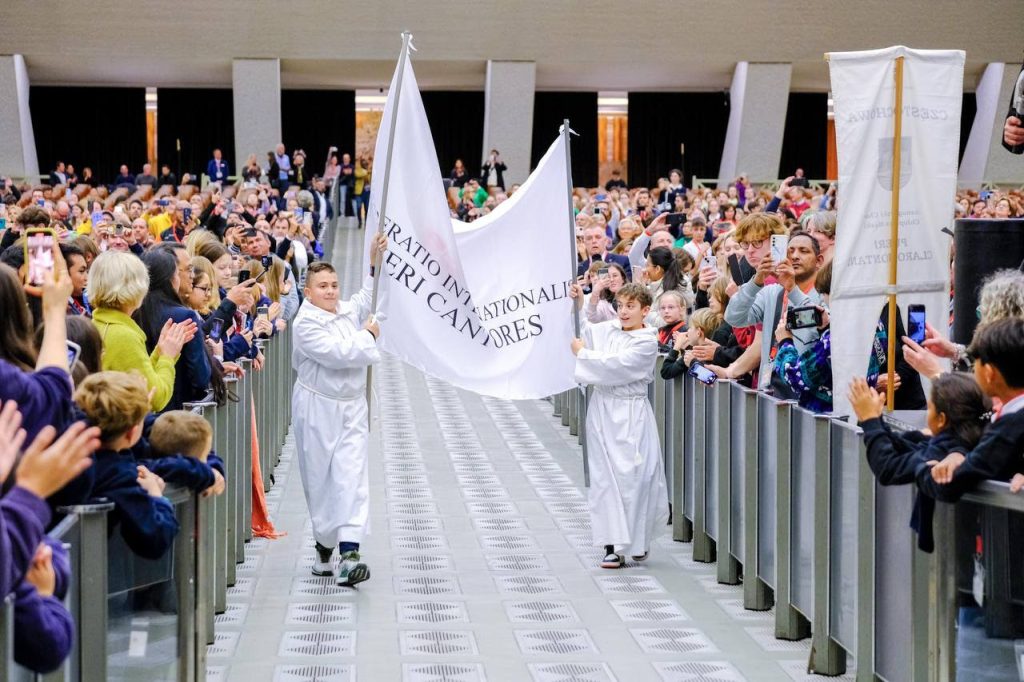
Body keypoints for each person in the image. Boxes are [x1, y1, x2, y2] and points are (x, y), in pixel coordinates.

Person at [291, 234, 387, 586]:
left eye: (333, 285)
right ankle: (323, 549)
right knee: (321, 481)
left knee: (351, 477)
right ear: (308, 292)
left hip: (351, 408)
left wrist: (375, 263)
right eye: (323, 286)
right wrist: (369, 337)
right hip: (317, 408)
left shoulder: (345, 309)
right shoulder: (305, 324)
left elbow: (366, 298)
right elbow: (339, 354)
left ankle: (350, 555)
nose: (331, 291)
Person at [569, 282, 668, 569]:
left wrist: (583, 355)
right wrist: (578, 304)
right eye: (621, 305)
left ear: (645, 311)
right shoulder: (610, 329)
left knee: (636, 477)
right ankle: (612, 546)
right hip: (602, 410)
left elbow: (619, 366)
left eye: (631, 306)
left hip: (631, 413)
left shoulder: (647, 341)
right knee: (605, 479)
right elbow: (584, 329)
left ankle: (637, 539)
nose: (623, 312)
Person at [848, 372, 990, 552]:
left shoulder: (944, 450)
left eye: (929, 408)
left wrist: (870, 421)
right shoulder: (965, 440)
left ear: (941, 419)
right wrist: (877, 420)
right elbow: (907, 448)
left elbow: (889, 467)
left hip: (955, 545)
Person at [915, 317, 1024, 502]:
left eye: (976, 365)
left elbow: (951, 484)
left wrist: (923, 467)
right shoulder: (1006, 418)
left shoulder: (1011, 424)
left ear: (989, 373)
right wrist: (959, 453)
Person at [75, 372, 180, 559]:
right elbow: (156, 538)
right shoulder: (117, 474)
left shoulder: (73, 452)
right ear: (132, 433)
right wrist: (156, 496)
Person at [89, 251, 194, 411]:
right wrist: (167, 357)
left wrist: (160, 351)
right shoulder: (123, 335)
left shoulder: (100, 323)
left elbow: (140, 377)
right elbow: (155, 398)